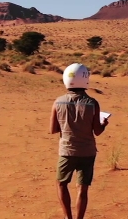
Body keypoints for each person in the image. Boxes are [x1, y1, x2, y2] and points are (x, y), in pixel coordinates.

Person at [50, 63, 108, 219]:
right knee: (82, 189)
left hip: (67, 151)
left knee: (61, 184)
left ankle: (68, 217)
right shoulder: (93, 103)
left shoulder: (58, 102)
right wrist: (104, 124)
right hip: (87, 152)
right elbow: (97, 131)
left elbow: (53, 129)